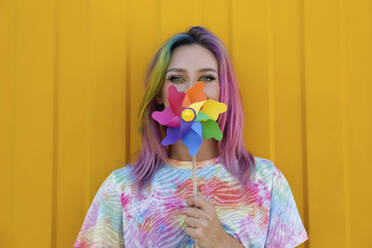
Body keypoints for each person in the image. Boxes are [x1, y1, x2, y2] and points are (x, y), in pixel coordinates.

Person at [73, 26, 309, 248]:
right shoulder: (122, 187)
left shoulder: (265, 181)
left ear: (223, 91)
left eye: (206, 78)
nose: (190, 91)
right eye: (177, 78)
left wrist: (221, 242)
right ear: (159, 94)